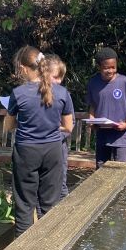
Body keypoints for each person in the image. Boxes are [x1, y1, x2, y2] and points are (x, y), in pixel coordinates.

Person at [6, 46, 74, 237]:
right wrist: (49, 126)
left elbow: (8, 126)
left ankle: (22, 249)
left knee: (25, 204)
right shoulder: (62, 92)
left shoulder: (18, 93)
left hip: (26, 152)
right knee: (49, 204)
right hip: (53, 152)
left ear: (23, 68)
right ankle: (47, 246)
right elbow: (68, 127)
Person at [86, 47, 126, 168]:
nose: (110, 70)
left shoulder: (124, 82)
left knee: (120, 168)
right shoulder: (93, 83)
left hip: (121, 134)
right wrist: (92, 120)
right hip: (102, 134)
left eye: (113, 67)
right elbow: (93, 105)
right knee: (101, 169)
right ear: (99, 66)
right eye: (106, 68)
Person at [44, 53, 73, 199]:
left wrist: (52, 135)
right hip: (38, 147)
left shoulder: (63, 95)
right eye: (55, 77)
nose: (59, 81)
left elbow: (69, 125)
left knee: (60, 184)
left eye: (61, 77)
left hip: (57, 146)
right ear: (44, 74)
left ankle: (64, 212)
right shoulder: (33, 94)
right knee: (40, 186)